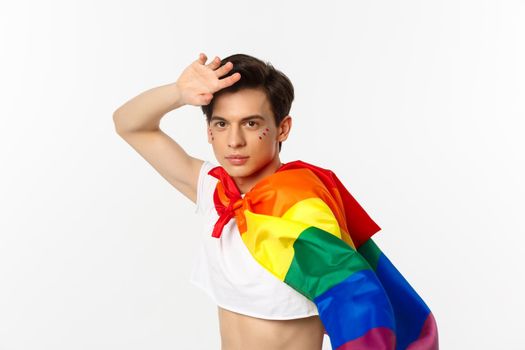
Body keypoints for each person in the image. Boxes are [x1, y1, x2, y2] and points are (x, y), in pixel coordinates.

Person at [113, 53, 326, 350]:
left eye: (251, 124)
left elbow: (356, 300)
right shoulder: (216, 191)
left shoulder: (306, 207)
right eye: (222, 124)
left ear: (283, 128)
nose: (234, 141)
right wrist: (178, 93)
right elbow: (128, 125)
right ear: (209, 131)